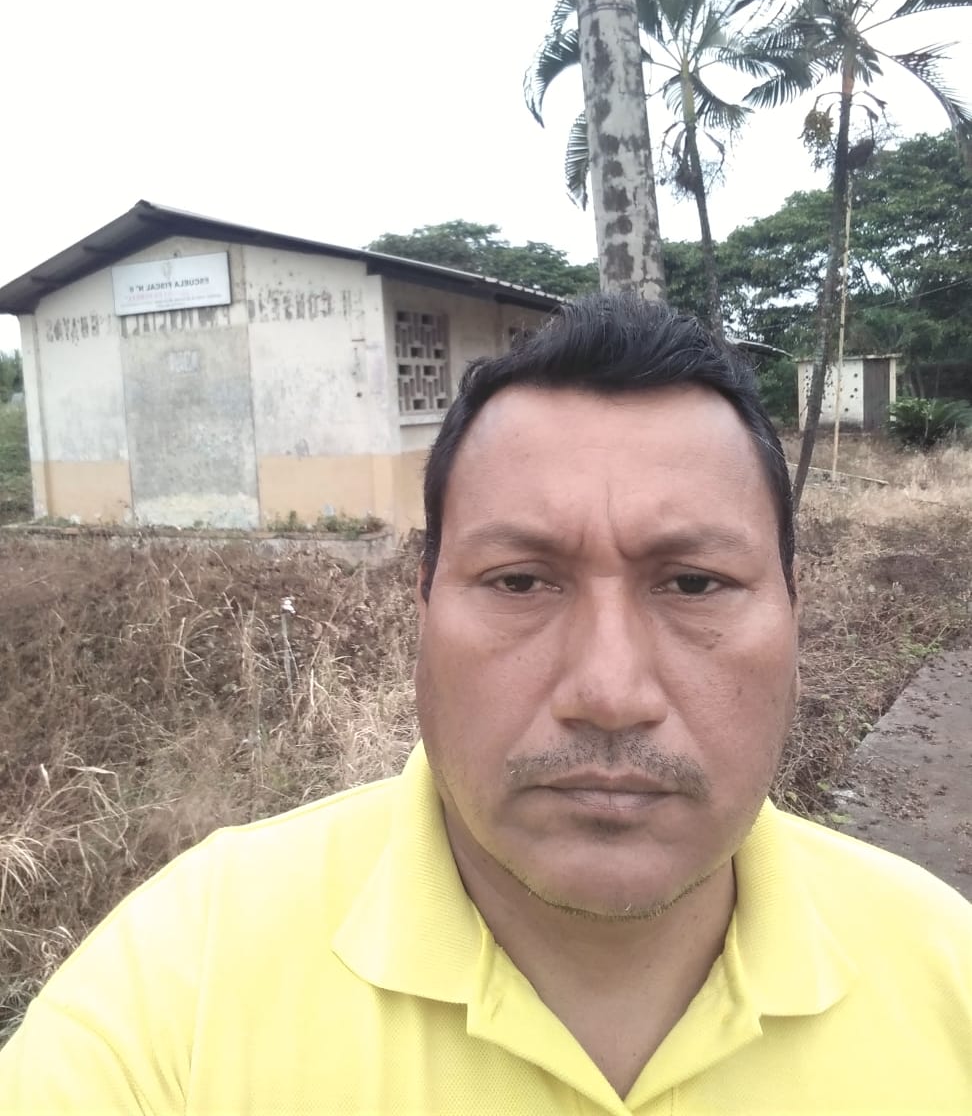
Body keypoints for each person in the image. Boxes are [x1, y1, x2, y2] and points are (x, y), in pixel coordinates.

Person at [0, 293, 969, 1115]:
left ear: (795, 614)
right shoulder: (175, 996)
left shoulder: (948, 980)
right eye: (519, 582)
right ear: (420, 610)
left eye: (693, 584)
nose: (609, 694)